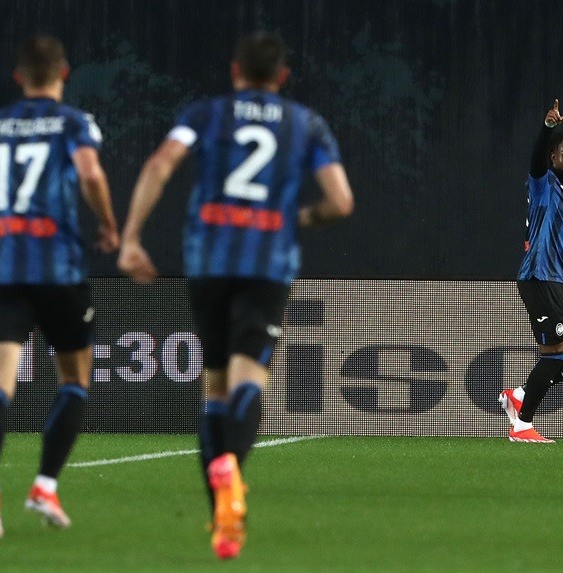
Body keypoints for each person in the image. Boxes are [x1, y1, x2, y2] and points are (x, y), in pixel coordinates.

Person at [117, 31, 354, 560]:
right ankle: (231, 478)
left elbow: (159, 165)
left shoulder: (205, 114)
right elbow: (340, 201)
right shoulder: (306, 123)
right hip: (267, 263)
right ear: (283, 77)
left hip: (210, 262)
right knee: (250, 382)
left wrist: (131, 237)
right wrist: (302, 217)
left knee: (216, 385)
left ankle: (224, 519)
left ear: (235, 71)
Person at [0, 35, 119, 538]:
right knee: (74, 379)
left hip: (3, 270)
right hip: (59, 270)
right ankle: (44, 485)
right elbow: (90, 173)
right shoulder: (73, 123)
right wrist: (108, 223)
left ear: (19, 77)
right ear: (64, 73)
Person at [497, 100, 563, 443]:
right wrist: (548, 128)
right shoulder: (544, 182)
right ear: (554, 158)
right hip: (539, 279)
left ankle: (521, 394)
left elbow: (549, 236)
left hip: (559, 278)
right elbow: (536, 159)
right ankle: (521, 425)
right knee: (554, 354)